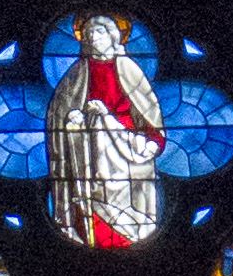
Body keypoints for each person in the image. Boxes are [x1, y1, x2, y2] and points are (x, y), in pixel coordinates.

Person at [44, 13, 166, 246]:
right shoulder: (76, 75)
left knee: (124, 205)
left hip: (126, 153)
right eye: (88, 35)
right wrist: (73, 119)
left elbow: (148, 115)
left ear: (113, 36)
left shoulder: (129, 69)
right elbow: (58, 117)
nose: (93, 38)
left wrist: (113, 122)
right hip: (88, 153)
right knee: (91, 200)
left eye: (98, 33)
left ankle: (129, 240)